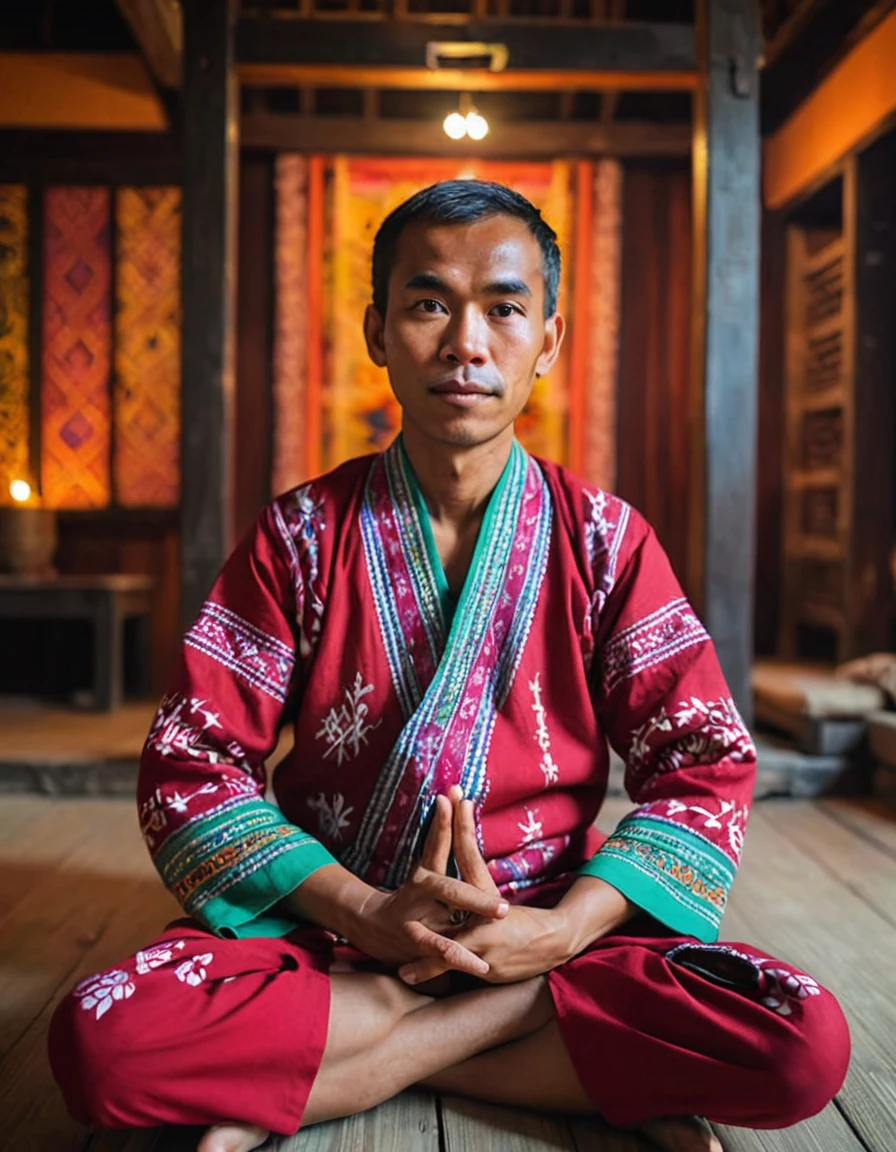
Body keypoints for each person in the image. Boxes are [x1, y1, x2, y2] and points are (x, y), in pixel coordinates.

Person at [49, 181, 850, 1152]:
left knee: (798, 1041)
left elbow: (704, 762)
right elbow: (190, 767)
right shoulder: (299, 538)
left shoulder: (602, 542)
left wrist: (557, 936)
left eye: (502, 308)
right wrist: (373, 916)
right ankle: (547, 1060)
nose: (465, 343)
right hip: (333, 926)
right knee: (102, 1045)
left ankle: (335, 1068)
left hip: (544, 924)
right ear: (378, 331)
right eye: (428, 303)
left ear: (546, 341)